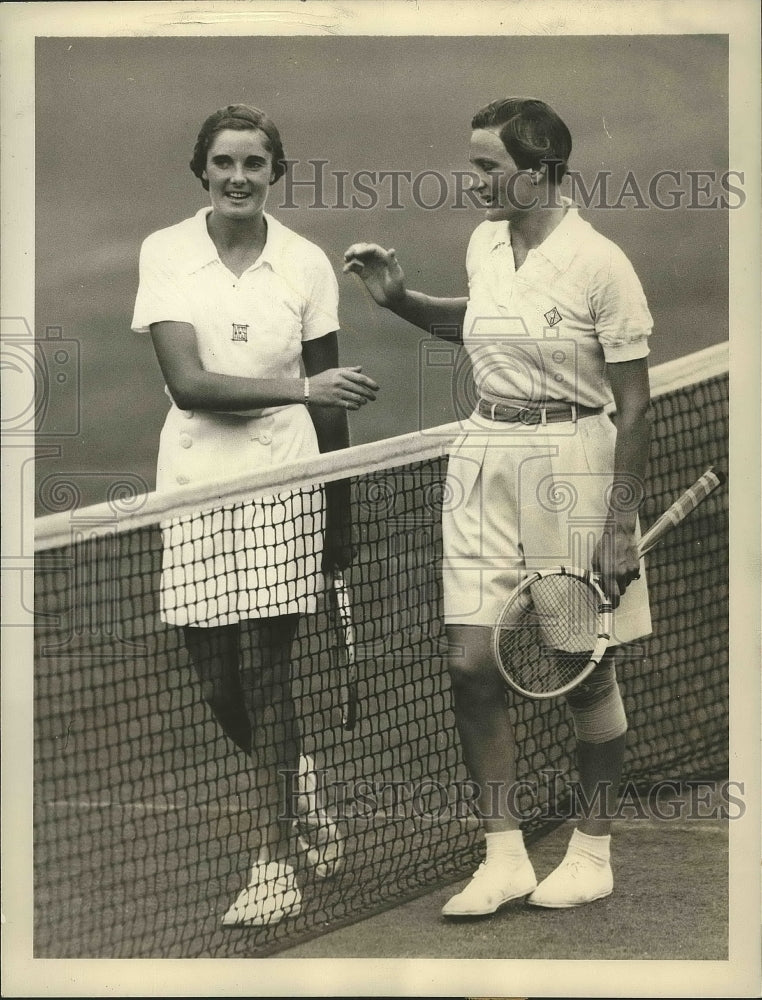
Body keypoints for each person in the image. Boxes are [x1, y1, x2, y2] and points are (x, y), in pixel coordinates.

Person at [343, 97, 652, 917]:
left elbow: (636, 402)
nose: (473, 180)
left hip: (572, 469)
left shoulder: (600, 263)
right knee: (470, 666)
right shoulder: (486, 242)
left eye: (489, 166)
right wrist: (403, 301)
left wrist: (619, 523)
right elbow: (478, 323)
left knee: (580, 668)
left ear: (542, 170)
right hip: (482, 458)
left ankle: (591, 849)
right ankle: (505, 856)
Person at [131, 104, 379, 927]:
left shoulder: (307, 265)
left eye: (256, 163)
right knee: (215, 677)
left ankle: (274, 860)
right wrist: (304, 391)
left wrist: (338, 511)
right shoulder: (165, 252)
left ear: (277, 172)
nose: (240, 177)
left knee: (271, 675)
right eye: (226, 162)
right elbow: (189, 384)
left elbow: (333, 401)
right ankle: (301, 783)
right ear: (201, 169)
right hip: (197, 475)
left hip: (285, 475)